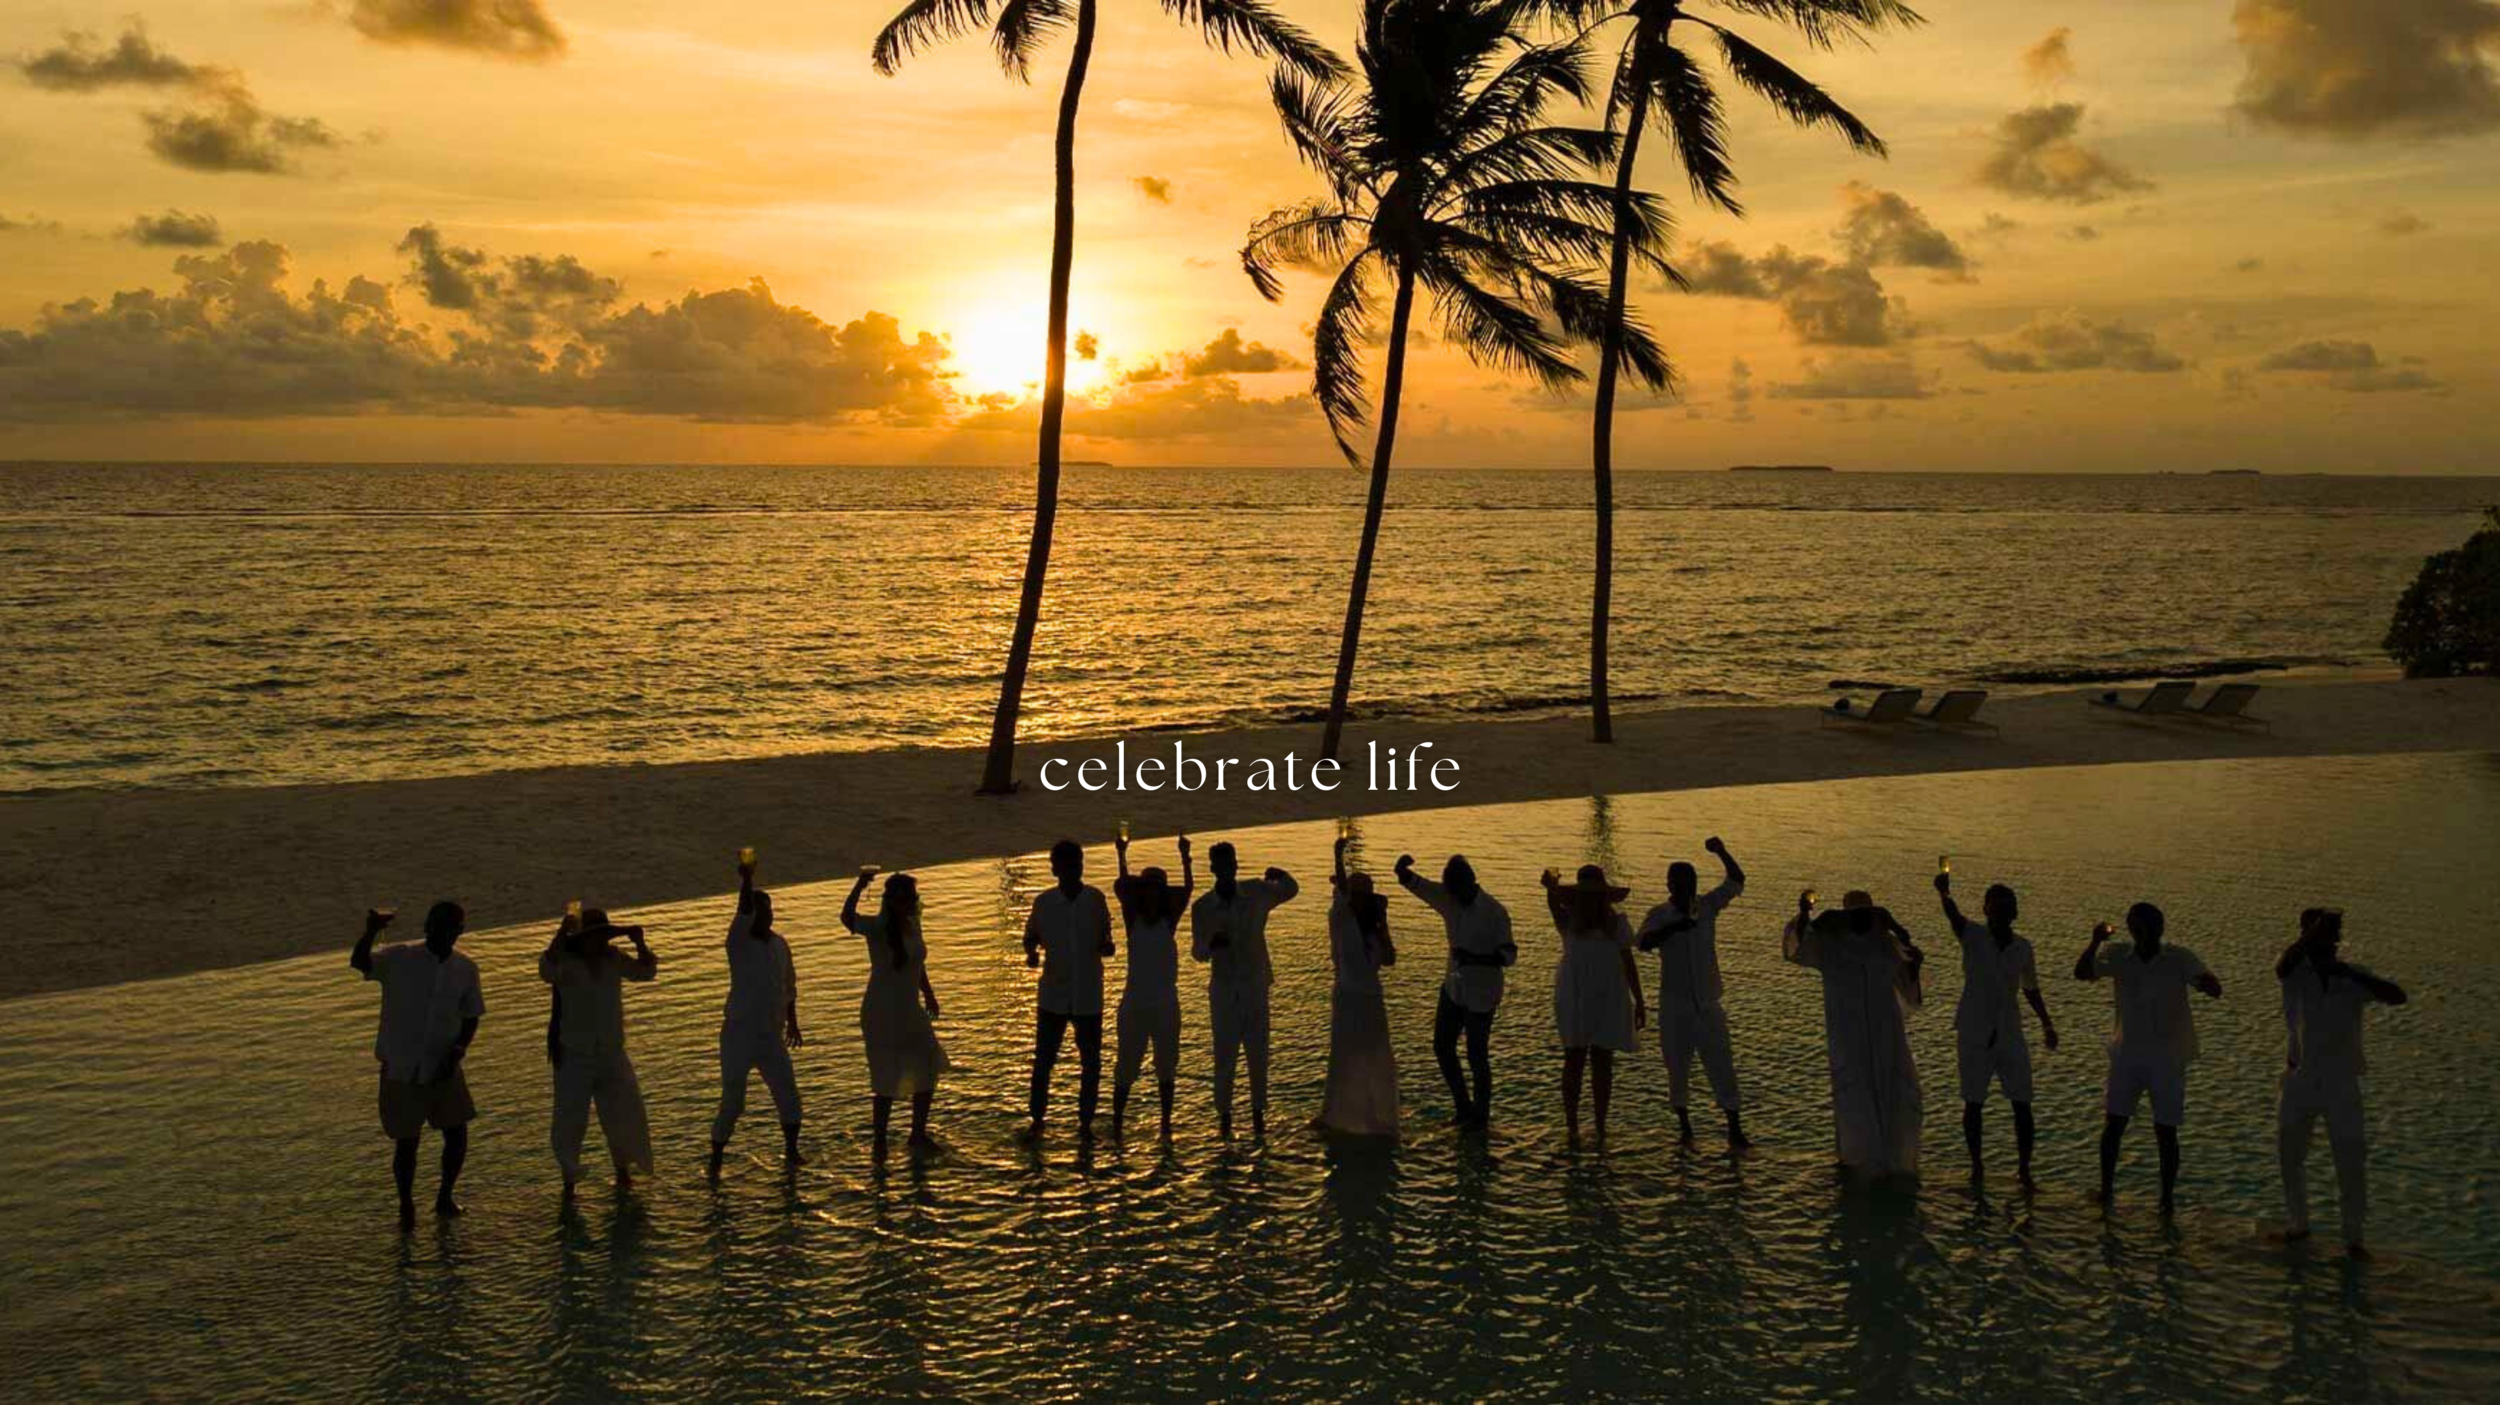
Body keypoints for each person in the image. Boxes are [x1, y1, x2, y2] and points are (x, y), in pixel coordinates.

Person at [2075, 902, 2222, 1214]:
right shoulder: (2117, 954)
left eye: (2147, 928)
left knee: (2166, 1132)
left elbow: (2210, 985)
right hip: (2126, 1055)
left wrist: (2205, 982)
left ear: (2159, 929)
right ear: (2131, 928)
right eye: (2136, 927)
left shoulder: (2179, 957)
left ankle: (2166, 1199)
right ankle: (2106, 1190)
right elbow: (2082, 973)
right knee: (2114, 1124)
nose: (2141, 933)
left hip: (2167, 1059)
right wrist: (2095, 940)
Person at [2275, 907, 2406, 1256]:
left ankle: (2353, 1237)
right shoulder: (2295, 973)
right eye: (2317, 934)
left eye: (2329, 934)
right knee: (2290, 1154)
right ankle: (2298, 1223)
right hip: (2299, 1078)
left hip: (2341, 1082)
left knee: (2349, 1158)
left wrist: (2348, 972)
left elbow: (2397, 997)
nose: (2326, 941)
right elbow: (2283, 965)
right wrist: (2311, 933)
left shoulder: (2353, 976)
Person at [352, 901, 482, 1230]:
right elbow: (359, 962)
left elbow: (471, 1016)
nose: (449, 933)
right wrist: (370, 931)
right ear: (427, 927)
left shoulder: (466, 968)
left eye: (454, 928)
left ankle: (445, 1197)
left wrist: (458, 1051)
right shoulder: (400, 957)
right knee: (407, 1142)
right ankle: (406, 1204)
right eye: (442, 926)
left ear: (460, 931)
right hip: (401, 1068)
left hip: (445, 1067)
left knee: (457, 1132)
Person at [1784, 890, 1926, 1180]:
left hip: (1886, 1032)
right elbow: (1796, 949)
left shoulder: (1886, 945)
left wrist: (1914, 963)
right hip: (1848, 1034)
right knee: (1854, 1097)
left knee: (1895, 1092)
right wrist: (1804, 914)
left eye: (1866, 915)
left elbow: (1910, 991)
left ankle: (1893, 1161)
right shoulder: (1830, 945)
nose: (1862, 920)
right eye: (1856, 915)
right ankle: (1856, 1162)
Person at [1935, 870, 2058, 1186]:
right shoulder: (1973, 937)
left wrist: (2047, 1023)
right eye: (1995, 906)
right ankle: (1977, 1166)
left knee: (2022, 1102)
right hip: (1974, 1032)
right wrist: (1944, 893)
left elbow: (2030, 989)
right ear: (1986, 909)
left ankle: (2025, 1169)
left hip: (2010, 1033)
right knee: (1974, 1102)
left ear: (2014, 913)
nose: (2001, 912)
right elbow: (1954, 916)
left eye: (2007, 907)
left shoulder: (2023, 948)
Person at [1635, 837, 1749, 1149]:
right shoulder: (1659, 914)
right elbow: (1642, 943)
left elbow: (1736, 880)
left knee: (1722, 1064)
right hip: (1675, 1004)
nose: (1685, 888)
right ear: (1669, 885)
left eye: (1690, 882)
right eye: (1679, 883)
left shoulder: (1707, 906)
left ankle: (1734, 1129)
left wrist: (1722, 851)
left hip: (1709, 1002)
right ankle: (1685, 1128)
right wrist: (1674, 928)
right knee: (1677, 1066)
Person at [541, 906, 658, 1196]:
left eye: (603, 936)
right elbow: (545, 969)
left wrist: (638, 941)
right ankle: (569, 1182)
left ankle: (623, 1172)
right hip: (574, 1055)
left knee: (624, 1112)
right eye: (594, 936)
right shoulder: (566, 962)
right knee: (570, 1119)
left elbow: (647, 972)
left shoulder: (613, 958)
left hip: (611, 1053)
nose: (599, 941)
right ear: (581, 938)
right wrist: (561, 932)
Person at [1395, 851, 1514, 1129]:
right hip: (1453, 987)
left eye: (1456, 892)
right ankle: (1463, 1106)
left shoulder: (1495, 912)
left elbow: (1509, 956)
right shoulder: (1449, 898)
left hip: (1483, 994)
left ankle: (1480, 1118)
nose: (1453, 897)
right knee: (1441, 1046)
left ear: (1470, 883)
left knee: (1477, 1055)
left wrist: (1475, 958)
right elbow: (1419, 886)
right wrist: (1402, 870)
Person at [1190, 840, 1300, 1139]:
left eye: (1230, 864)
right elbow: (1197, 952)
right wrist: (1212, 945)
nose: (1226, 869)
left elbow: (1291, 889)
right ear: (1213, 868)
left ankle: (1258, 1116)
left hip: (1255, 983)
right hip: (1224, 989)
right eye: (1220, 865)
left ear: (1235, 865)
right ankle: (1224, 1118)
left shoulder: (1256, 891)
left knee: (1258, 1052)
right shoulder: (1202, 907)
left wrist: (1280, 873)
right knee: (1224, 1055)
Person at [710, 854, 803, 1179]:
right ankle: (716, 1159)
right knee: (733, 1103)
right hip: (739, 1035)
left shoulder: (779, 944)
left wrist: (793, 1021)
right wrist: (746, 879)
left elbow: (788, 985)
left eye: (768, 910)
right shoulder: (738, 942)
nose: (765, 915)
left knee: (789, 1095)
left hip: (771, 1035)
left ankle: (792, 1152)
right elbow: (743, 910)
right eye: (759, 911)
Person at [845, 865, 949, 1157]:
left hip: (909, 1009)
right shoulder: (878, 927)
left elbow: (918, 962)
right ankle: (880, 1142)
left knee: (929, 1063)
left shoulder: (913, 923)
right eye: (909, 898)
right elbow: (847, 919)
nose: (914, 902)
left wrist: (928, 993)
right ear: (893, 900)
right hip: (882, 1011)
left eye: (914, 897)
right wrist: (860, 884)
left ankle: (917, 1134)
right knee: (886, 1076)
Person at [1545, 864, 1645, 1147]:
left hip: (1607, 994)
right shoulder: (1568, 921)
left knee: (1602, 1061)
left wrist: (1639, 1000)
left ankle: (1600, 1126)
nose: (1590, 899)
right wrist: (1552, 883)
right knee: (1574, 1059)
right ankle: (1573, 1126)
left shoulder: (1617, 924)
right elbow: (1552, 899)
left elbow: (1629, 962)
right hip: (1575, 994)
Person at [1022, 838, 1115, 1142]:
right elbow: (1030, 936)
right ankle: (1037, 1119)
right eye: (1068, 865)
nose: (1075, 870)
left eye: (1077, 864)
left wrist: (1106, 947)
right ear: (1055, 869)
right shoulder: (1044, 902)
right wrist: (1032, 954)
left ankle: (1085, 1124)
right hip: (1053, 994)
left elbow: (1105, 938)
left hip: (1089, 995)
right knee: (1043, 1060)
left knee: (1091, 1063)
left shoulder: (1096, 899)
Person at [1112, 832, 1194, 1138]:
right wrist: (1122, 853)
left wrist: (1185, 857)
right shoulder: (1132, 919)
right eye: (1147, 889)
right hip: (1134, 1003)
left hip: (1164, 1004)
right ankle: (1117, 1121)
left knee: (1166, 1065)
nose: (1152, 895)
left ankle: (1166, 1122)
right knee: (1127, 1065)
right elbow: (1123, 885)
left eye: (1156, 890)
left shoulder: (1168, 921)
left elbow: (1187, 890)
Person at [1317, 834, 1399, 1137]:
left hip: (1371, 1000)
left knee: (1375, 1055)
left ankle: (1375, 1113)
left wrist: (1383, 922)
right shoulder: (1341, 920)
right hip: (1349, 998)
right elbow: (1341, 891)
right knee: (1345, 1055)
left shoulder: (1374, 932)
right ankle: (1337, 1114)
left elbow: (1389, 959)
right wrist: (1337, 855)